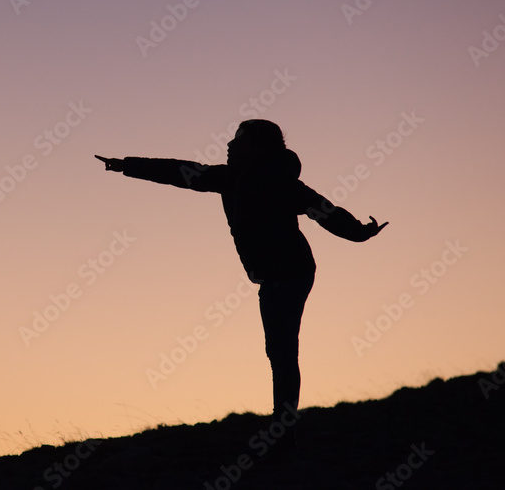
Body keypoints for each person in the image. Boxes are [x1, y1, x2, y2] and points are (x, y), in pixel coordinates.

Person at [96, 119, 386, 450]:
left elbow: (323, 210)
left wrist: (358, 231)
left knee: (281, 351)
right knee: (280, 351)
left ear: (258, 146)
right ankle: (283, 428)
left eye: (239, 140)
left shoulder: (279, 182)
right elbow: (181, 171)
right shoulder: (229, 178)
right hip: (274, 275)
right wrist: (126, 166)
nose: (231, 145)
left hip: (291, 273)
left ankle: (283, 432)